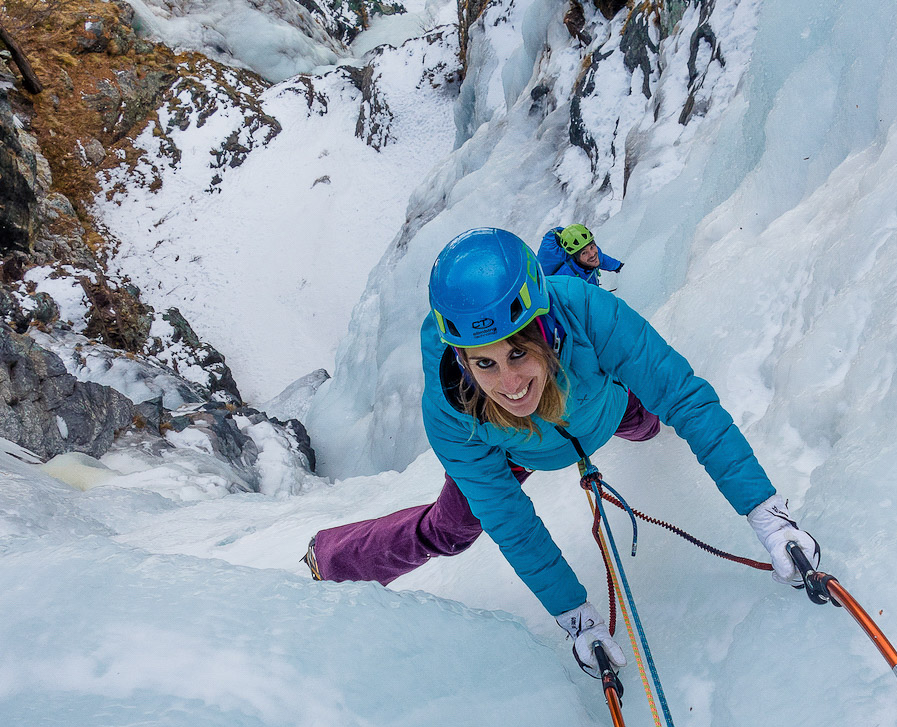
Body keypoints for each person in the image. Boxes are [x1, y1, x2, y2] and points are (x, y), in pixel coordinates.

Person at [305, 228, 819, 674]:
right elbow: (511, 521)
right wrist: (573, 613)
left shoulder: (589, 314)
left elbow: (687, 399)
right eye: (483, 365)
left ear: (545, 330)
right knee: (452, 527)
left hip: (605, 407)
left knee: (652, 421)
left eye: (517, 352)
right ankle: (333, 560)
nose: (508, 384)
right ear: (461, 359)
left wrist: (767, 515)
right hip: (514, 448)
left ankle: (637, 423)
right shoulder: (452, 409)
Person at [537, 224, 623, 285]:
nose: (592, 254)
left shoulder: (594, 255)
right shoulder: (567, 277)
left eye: (592, 247)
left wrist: (619, 267)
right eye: (584, 253)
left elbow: (603, 259)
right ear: (575, 258)